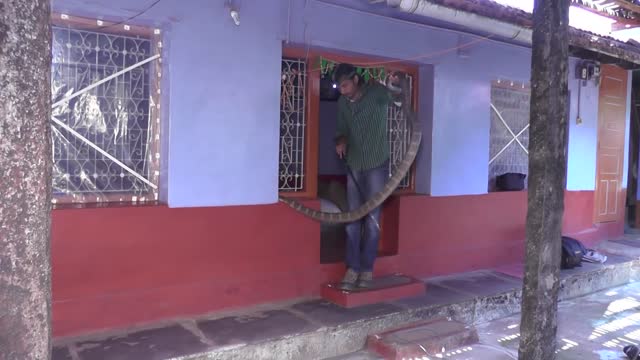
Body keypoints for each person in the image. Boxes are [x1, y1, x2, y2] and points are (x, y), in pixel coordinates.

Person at [332, 63, 404, 290]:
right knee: (352, 219)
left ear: (355, 80)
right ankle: (352, 268)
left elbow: (398, 100)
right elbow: (340, 129)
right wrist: (341, 141)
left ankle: (366, 270)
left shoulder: (376, 94)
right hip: (354, 164)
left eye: (344, 85)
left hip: (376, 164)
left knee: (372, 220)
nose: (341, 90)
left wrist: (394, 85)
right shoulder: (342, 103)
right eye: (339, 87)